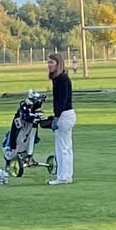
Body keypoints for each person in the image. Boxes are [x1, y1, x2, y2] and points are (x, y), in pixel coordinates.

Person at [45, 53, 75, 183]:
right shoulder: (60, 78)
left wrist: (56, 117)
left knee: (62, 148)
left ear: (58, 63)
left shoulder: (62, 79)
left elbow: (61, 101)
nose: (49, 65)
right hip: (67, 114)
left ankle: (63, 177)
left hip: (64, 115)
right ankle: (65, 175)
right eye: (48, 62)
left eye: (51, 62)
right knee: (66, 147)